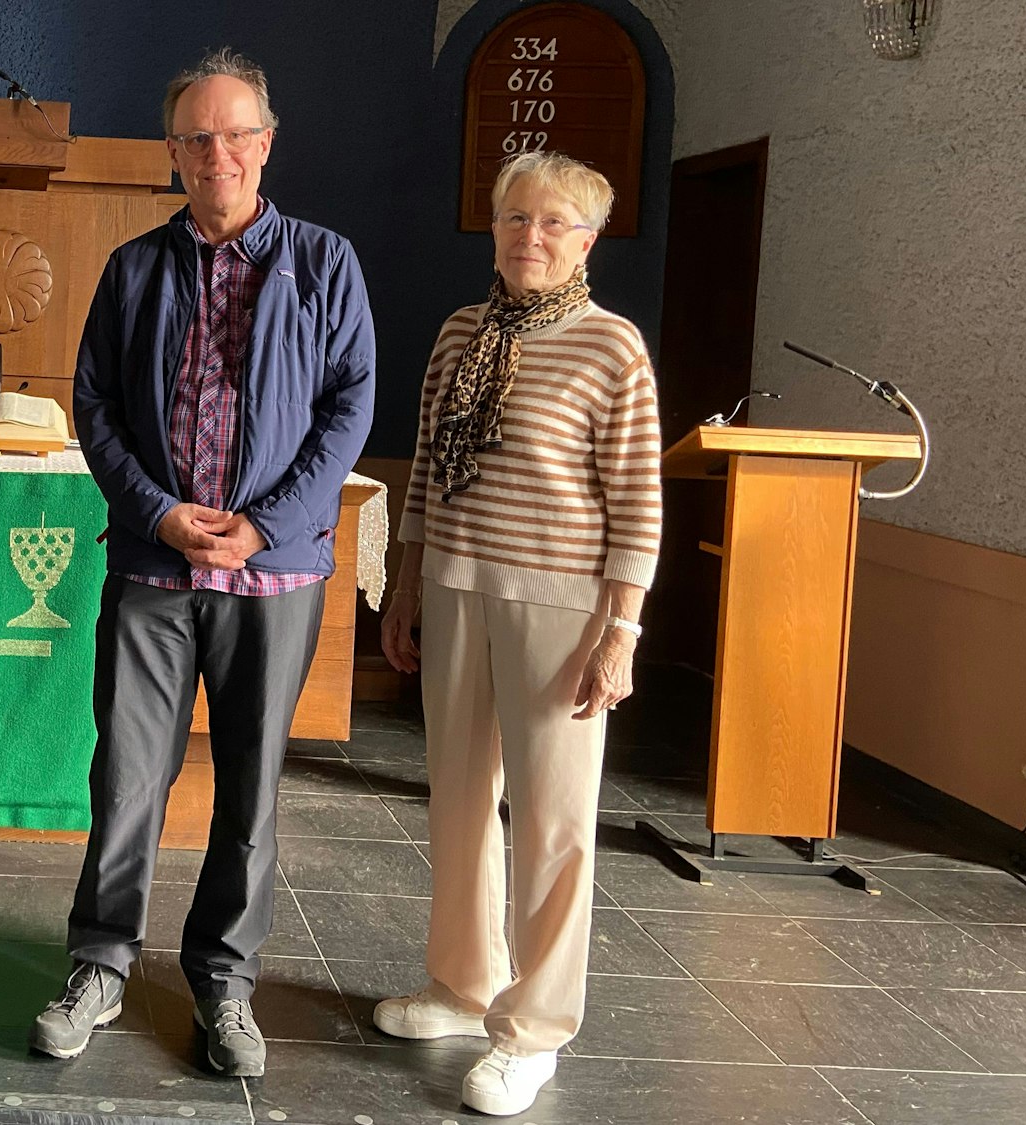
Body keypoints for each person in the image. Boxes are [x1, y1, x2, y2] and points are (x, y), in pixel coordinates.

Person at [32, 49, 376, 1078]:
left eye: (234, 134)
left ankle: (224, 982)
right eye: (195, 137)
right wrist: (158, 513)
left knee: (247, 790)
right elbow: (92, 403)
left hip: (274, 576)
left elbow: (348, 404)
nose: (215, 152)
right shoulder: (134, 267)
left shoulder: (323, 262)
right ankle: (98, 964)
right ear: (173, 153)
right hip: (152, 565)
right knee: (127, 777)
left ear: (264, 145)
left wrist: (265, 524)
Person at [371, 150, 663, 1117]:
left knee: (552, 823)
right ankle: (462, 985)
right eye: (513, 219)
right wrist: (406, 585)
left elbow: (638, 504)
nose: (529, 237)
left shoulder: (612, 347)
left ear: (586, 240)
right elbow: (422, 475)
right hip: (456, 588)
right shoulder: (459, 333)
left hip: (564, 610)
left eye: (552, 223)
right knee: (457, 798)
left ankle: (532, 1029)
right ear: (493, 229)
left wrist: (621, 626)